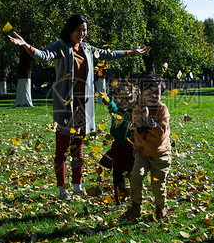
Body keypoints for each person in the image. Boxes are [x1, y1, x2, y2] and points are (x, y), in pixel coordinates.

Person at [8, 15, 149, 201]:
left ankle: (77, 186)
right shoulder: (60, 46)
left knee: (78, 147)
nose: (82, 34)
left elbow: (109, 54)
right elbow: (43, 56)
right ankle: (62, 189)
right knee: (62, 149)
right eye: (79, 30)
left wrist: (133, 52)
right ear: (70, 30)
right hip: (65, 106)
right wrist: (26, 45)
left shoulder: (88, 48)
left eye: (85, 30)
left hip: (84, 105)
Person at [123, 73, 172, 221]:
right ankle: (136, 206)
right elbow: (140, 134)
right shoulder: (137, 110)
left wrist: (148, 120)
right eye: (149, 92)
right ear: (141, 93)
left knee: (158, 184)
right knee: (136, 176)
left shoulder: (162, 110)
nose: (153, 96)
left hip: (160, 154)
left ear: (161, 94)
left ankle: (161, 208)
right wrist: (143, 120)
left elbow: (160, 134)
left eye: (157, 93)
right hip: (142, 152)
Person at [98, 80, 137, 203]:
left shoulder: (132, 112)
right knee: (117, 174)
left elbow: (136, 105)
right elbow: (112, 106)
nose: (124, 102)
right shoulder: (116, 111)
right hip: (118, 148)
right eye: (120, 99)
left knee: (133, 175)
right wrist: (107, 100)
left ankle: (135, 199)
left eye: (127, 99)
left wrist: (139, 99)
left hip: (131, 149)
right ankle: (120, 200)